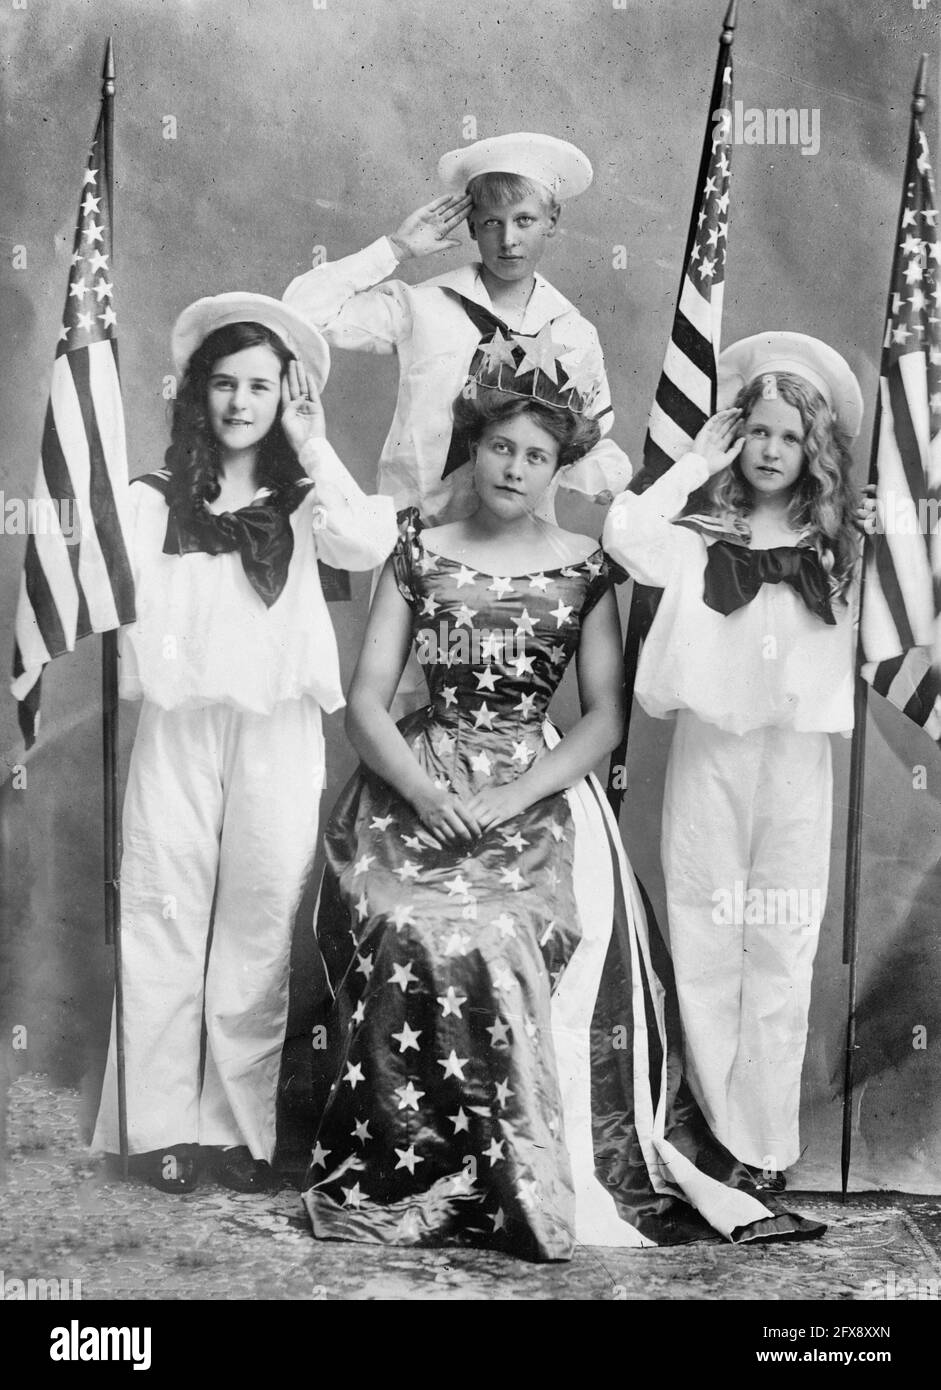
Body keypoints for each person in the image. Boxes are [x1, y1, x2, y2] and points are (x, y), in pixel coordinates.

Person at [300, 340, 824, 1259]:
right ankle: (413, 1162)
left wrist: (513, 796)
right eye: (501, 447)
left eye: (536, 455)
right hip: (416, 778)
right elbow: (368, 701)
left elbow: (602, 718)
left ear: (557, 467)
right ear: (475, 448)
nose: (514, 468)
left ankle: (528, 1156)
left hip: (534, 777)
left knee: (513, 925)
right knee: (401, 916)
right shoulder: (417, 550)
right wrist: (423, 791)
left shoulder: (584, 565)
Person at [92, 294, 397, 1193]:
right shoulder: (154, 499)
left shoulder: (304, 501)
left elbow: (369, 538)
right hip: (179, 725)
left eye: (259, 386)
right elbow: (118, 606)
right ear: (198, 393)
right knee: (163, 908)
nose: (238, 402)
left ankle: (234, 1127)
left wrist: (314, 442)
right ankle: (156, 1127)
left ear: (282, 397)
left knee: (260, 917)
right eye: (223, 383)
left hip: (276, 725)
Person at [603, 332, 867, 1191]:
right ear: (733, 433)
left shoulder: (839, 550)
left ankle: (765, 1142)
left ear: (814, 448)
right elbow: (622, 535)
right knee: (709, 929)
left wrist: (881, 531)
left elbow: (915, 595)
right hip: (710, 751)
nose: (769, 451)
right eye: (755, 431)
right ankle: (716, 1129)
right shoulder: (693, 532)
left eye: (789, 437)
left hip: (795, 762)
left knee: (783, 941)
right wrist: (688, 464)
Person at [283, 131, 631, 529]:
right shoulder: (424, 305)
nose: (508, 240)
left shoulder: (574, 333)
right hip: (416, 534)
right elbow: (302, 312)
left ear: (552, 220)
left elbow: (584, 440)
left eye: (524, 221)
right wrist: (396, 248)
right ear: (470, 226)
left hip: (515, 545)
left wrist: (609, 479)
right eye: (490, 223)